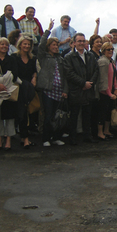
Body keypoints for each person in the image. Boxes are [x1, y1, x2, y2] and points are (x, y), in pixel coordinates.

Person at [37, 19, 68, 147]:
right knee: (48, 115)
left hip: (59, 91)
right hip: (47, 91)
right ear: (49, 47)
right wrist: (48, 30)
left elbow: (65, 76)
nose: (56, 47)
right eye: (53, 45)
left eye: (57, 45)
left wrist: (65, 90)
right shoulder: (44, 57)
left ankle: (56, 137)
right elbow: (40, 45)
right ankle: (46, 138)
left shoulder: (60, 59)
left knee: (58, 116)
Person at [63, 33, 99, 144]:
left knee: (87, 115)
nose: (81, 43)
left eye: (83, 41)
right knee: (74, 115)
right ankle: (73, 138)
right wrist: (83, 83)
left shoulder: (90, 56)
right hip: (76, 90)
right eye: (79, 41)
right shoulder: (69, 57)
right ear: (74, 43)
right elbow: (69, 74)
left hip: (89, 90)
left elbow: (96, 71)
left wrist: (90, 84)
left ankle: (87, 136)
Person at [12, 35, 37, 148]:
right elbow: (13, 74)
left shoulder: (32, 58)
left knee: (28, 113)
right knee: (21, 113)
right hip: (18, 87)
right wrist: (23, 84)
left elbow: (34, 72)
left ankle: (24, 137)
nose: (26, 46)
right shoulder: (14, 57)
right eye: (25, 44)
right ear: (20, 44)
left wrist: (34, 78)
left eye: (28, 44)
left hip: (29, 88)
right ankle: (25, 139)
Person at [96, 42, 117, 140]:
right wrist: (109, 93)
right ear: (103, 51)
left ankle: (106, 130)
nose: (110, 51)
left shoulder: (111, 61)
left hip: (111, 91)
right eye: (108, 49)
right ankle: (100, 132)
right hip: (104, 92)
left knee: (109, 112)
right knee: (102, 113)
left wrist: (116, 89)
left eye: (112, 49)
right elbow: (103, 79)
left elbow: (114, 78)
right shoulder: (103, 61)